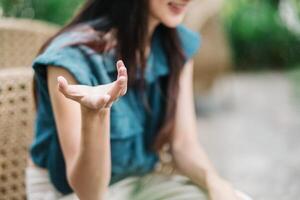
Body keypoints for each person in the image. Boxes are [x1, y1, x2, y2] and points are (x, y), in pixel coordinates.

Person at [26, 0, 252, 199]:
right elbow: (89, 192)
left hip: (140, 182)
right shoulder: (70, 60)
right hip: (66, 193)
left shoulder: (176, 46)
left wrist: (215, 183)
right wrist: (94, 114)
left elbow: (183, 145)